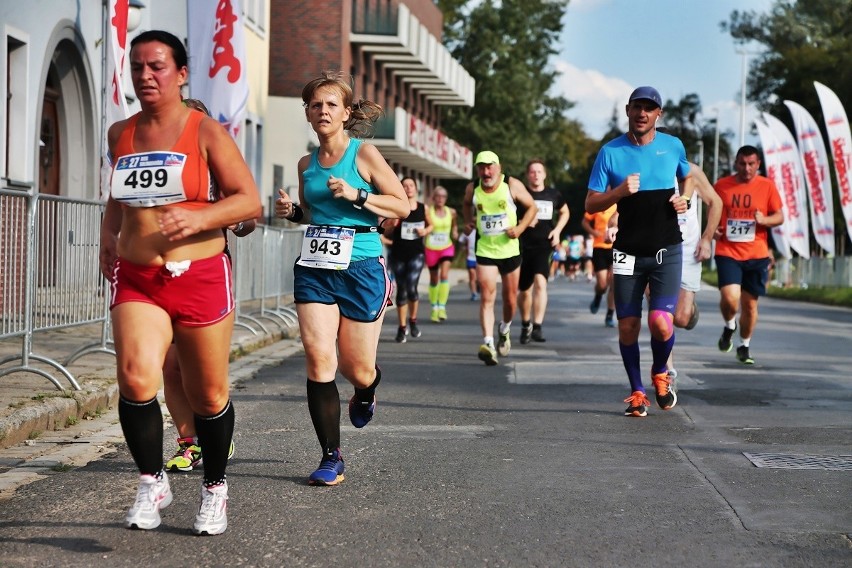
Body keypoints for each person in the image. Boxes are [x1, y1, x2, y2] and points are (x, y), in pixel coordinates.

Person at [98, 31, 262, 535]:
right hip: (140, 278)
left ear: (182, 73)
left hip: (201, 276)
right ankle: (151, 482)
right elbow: (119, 198)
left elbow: (248, 200)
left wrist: (197, 220)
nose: (146, 76)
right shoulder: (119, 133)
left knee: (207, 393)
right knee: (135, 376)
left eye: (158, 67)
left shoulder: (205, 131)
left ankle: (215, 489)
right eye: (139, 67)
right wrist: (108, 237)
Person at [274, 71, 408, 486]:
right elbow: (314, 214)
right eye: (316, 105)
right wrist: (293, 212)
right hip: (315, 266)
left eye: (331, 104)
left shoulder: (364, 155)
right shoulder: (305, 163)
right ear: (308, 114)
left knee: (357, 367)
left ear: (346, 112)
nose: (323, 111)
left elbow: (402, 206)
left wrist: (358, 195)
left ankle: (367, 390)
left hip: (363, 266)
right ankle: (331, 455)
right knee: (319, 358)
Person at [585, 86, 692, 418]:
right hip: (628, 251)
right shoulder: (610, 152)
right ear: (628, 110)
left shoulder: (673, 146)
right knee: (628, 326)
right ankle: (636, 391)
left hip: (666, 249)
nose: (642, 113)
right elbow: (590, 203)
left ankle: (660, 373)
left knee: (661, 322)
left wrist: (684, 198)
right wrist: (618, 192)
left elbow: (688, 179)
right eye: (637, 107)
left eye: (650, 108)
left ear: (659, 114)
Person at [162, 97, 254, 473]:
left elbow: (248, 220)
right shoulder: (160, 163)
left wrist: (235, 221)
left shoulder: (221, 167)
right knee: (170, 365)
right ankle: (189, 443)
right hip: (160, 270)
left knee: (201, 366)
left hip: (206, 271)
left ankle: (215, 430)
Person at [462, 150, 537, 365]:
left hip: (510, 250)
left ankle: (504, 328)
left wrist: (521, 227)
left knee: (511, 299)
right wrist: (468, 221)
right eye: (481, 167)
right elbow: (466, 204)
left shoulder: (511, 185)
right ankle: (488, 344)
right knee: (487, 295)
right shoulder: (472, 187)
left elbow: (532, 206)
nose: (486, 172)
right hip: (485, 249)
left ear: (498, 167)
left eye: (489, 167)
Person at [713, 145, 784, 365]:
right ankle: (729, 325)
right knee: (730, 298)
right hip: (728, 250)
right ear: (736, 163)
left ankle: (744, 345)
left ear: (758, 164)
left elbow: (779, 216)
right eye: (742, 163)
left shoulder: (767, 186)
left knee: (750, 305)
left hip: (757, 253)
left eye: (751, 164)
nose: (746, 168)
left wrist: (765, 220)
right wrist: (713, 230)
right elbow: (713, 214)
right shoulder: (722, 185)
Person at [665, 162, 722, 378]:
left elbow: (715, 202)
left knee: (680, 317)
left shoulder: (691, 172)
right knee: (661, 313)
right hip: (658, 248)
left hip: (688, 249)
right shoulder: (645, 169)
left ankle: (688, 307)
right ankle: (666, 370)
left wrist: (707, 239)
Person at [517, 159, 569, 344]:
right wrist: (521, 223)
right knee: (524, 290)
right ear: (527, 175)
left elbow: (565, 212)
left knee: (540, 283)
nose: (536, 175)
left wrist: (557, 231)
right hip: (522, 246)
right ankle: (525, 324)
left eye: (539, 171)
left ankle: (537, 326)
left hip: (544, 245)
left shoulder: (553, 194)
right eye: (532, 172)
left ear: (545, 174)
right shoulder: (520, 194)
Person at [381, 176, 430, 342]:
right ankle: (402, 328)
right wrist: (391, 226)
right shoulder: (396, 209)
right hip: (398, 254)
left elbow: (431, 225)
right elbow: (383, 231)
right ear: (401, 189)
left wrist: (426, 231)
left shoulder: (423, 208)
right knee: (401, 291)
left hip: (416, 253)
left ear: (416, 188)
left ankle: (413, 321)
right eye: (405, 185)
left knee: (412, 286)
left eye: (411, 185)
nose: (408, 188)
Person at [424, 186, 458, 322]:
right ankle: (434, 308)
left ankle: (442, 307)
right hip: (431, 247)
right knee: (434, 279)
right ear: (433, 198)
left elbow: (454, 224)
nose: (440, 199)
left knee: (444, 275)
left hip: (446, 247)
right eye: (437, 196)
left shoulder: (452, 212)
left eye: (443, 196)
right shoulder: (428, 211)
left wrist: (455, 231)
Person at [581, 203, 618, 327]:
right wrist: (593, 232)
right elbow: (585, 222)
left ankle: (609, 315)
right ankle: (598, 296)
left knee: (614, 282)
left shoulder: (620, 204)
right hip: (599, 248)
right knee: (602, 285)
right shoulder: (599, 203)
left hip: (616, 247)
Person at [458, 228, 479, 300]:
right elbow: (460, 240)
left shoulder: (482, 230)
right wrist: (462, 247)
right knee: (472, 276)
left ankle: (478, 288)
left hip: (481, 257)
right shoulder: (468, 231)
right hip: (470, 257)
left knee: (479, 277)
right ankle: (474, 293)